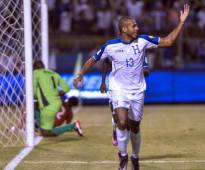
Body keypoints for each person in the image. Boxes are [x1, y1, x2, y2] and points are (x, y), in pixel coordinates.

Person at [73, 4, 189, 170]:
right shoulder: (110, 45)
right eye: (134, 25)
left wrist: (181, 22)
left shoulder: (143, 40)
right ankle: (123, 157)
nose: (137, 27)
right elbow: (93, 59)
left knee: (134, 127)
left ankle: (135, 156)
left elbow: (169, 41)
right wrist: (81, 74)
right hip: (118, 89)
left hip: (138, 90)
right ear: (124, 28)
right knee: (121, 122)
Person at [100, 56, 149, 147]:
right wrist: (103, 81)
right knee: (116, 116)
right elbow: (106, 62)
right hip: (116, 87)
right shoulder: (115, 46)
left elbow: (146, 71)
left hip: (133, 89)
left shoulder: (140, 51)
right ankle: (116, 129)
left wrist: (135, 71)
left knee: (130, 121)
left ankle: (124, 145)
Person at [33, 60, 83, 137]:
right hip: (56, 103)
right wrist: (56, 94)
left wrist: (36, 96)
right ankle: (36, 126)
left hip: (48, 105)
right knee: (36, 109)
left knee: (45, 132)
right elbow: (67, 88)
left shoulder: (36, 73)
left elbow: (33, 91)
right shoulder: (54, 73)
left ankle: (73, 125)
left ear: (34, 68)